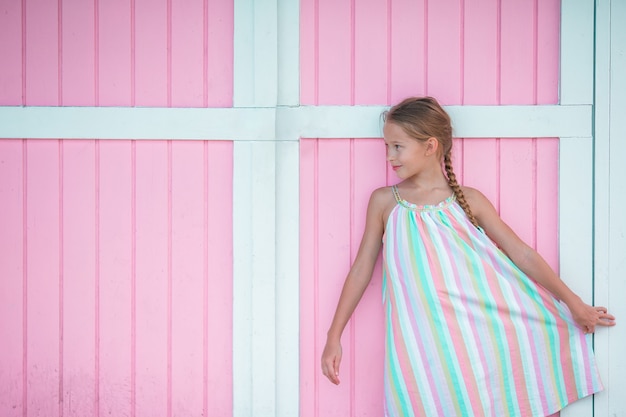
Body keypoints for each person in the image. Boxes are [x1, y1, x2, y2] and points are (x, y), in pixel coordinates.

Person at [320, 96, 616, 416]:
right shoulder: (384, 202)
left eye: (397, 146)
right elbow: (361, 269)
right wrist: (334, 335)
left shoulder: (469, 201)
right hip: (417, 348)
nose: (389, 156)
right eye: (387, 147)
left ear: (430, 145)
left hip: (471, 339)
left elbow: (521, 254)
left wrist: (573, 303)